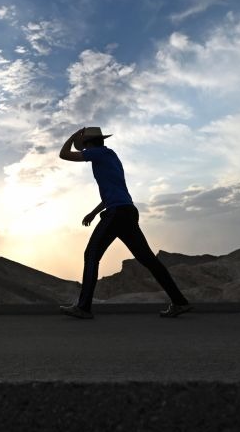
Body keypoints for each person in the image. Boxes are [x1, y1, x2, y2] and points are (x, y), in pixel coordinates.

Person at [58, 127, 191, 319]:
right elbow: (113, 194)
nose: (84, 150)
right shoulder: (110, 157)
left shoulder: (99, 153)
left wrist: (73, 135)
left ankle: (83, 307)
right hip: (126, 211)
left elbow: (64, 155)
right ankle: (179, 302)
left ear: (90, 144)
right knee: (148, 260)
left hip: (117, 214)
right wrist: (94, 213)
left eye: (84, 145)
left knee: (91, 255)